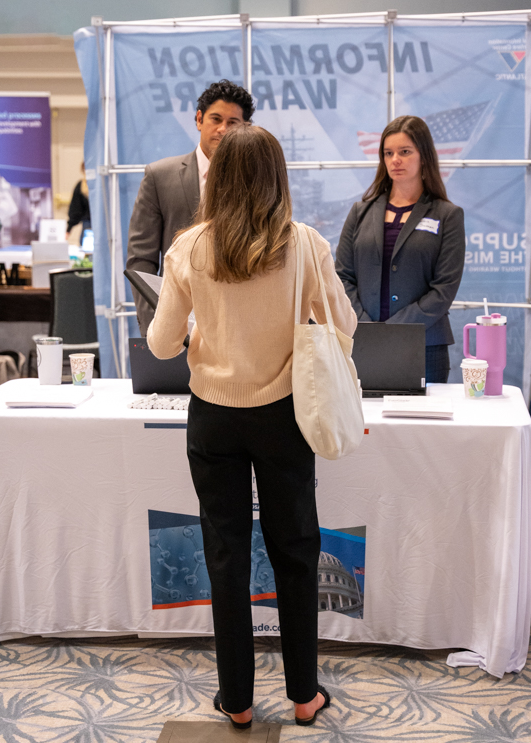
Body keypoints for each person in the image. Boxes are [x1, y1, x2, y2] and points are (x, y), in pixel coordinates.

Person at [147, 124, 356, 728]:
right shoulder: (307, 244)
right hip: (285, 417)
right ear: (276, 178)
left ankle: (236, 700)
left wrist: (203, 328)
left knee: (226, 554)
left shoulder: (188, 248)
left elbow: (162, 345)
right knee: (296, 551)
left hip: (213, 417)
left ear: (217, 179)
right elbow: (344, 331)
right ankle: (302, 694)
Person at [335, 115, 465, 383]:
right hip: (363, 342)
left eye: (405, 152)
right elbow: (342, 276)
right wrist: (365, 325)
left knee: (424, 426)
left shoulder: (447, 215)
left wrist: (395, 330)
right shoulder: (360, 212)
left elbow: (444, 289)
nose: (395, 160)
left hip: (425, 345)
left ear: (424, 156)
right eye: (388, 153)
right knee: (365, 424)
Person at [126, 79, 255, 334]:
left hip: (240, 326)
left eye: (232, 123)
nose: (222, 129)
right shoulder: (160, 176)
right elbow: (141, 260)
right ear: (199, 120)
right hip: (177, 321)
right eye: (215, 119)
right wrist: (155, 326)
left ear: (245, 128)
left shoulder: (254, 181)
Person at [66, 162, 91, 239]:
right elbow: (75, 209)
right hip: (88, 226)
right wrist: (69, 229)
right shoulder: (81, 186)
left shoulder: (102, 185)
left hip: (98, 225)